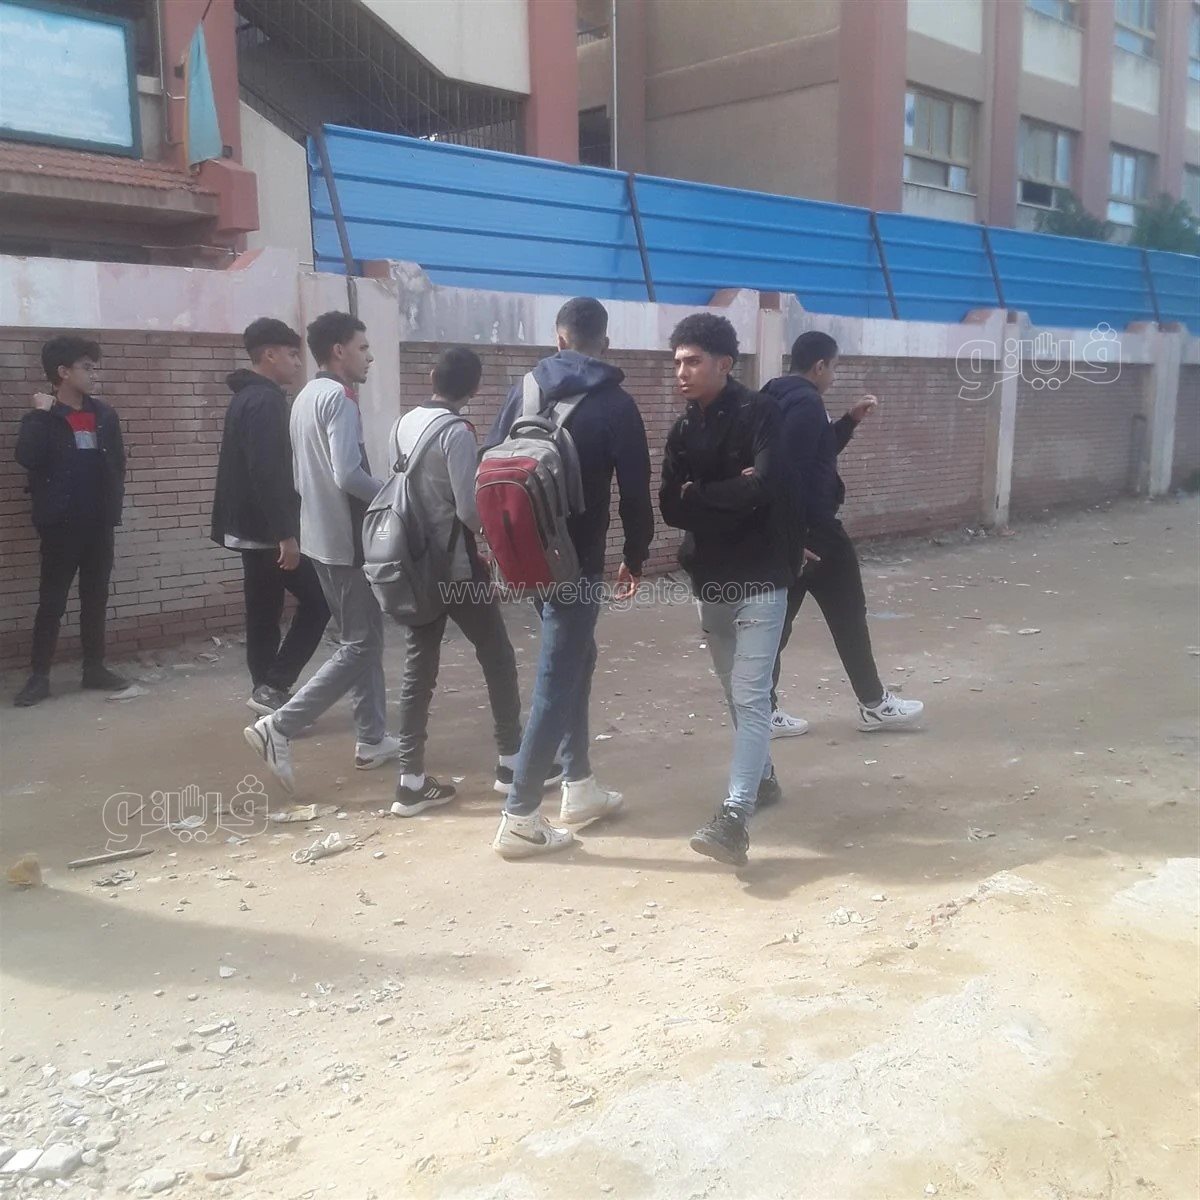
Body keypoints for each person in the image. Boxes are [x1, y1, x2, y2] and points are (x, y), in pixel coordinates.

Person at [485, 297, 654, 858]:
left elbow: (490, 462)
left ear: (558, 340)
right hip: (576, 562)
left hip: (526, 556)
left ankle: (578, 784)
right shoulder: (616, 404)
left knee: (579, 656)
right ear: (605, 344)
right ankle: (520, 816)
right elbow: (635, 493)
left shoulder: (523, 390)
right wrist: (635, 555)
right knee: (557, 676)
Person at [389, 347, 559, 816]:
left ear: (431, 376)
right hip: (457, 571)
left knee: (419, 670)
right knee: (497, 657)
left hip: (414, 564)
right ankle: (510, 763)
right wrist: (492, 542)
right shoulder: (457, 432)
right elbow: (468, 507)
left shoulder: (402, 424)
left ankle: (409, 781)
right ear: (475, 388)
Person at [659, 313, 798, 868]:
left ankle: (734, 816)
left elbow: (767, 486)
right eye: (677, 362)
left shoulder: (762, 413)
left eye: (692, 361)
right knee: (732, 689)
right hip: (710, 578)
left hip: (762, 574)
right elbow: (670, 507)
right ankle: (762, 779)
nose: (682, 372)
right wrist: (726, 491)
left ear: (724, 363)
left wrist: (699, 493)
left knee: (750, 693)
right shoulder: (682, 431)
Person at [244, 311, 400, 792]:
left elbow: (301, 477)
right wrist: (394, 495)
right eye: (362, 347)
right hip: (344, 540)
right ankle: (279, 725)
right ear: (339, 351)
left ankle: (371, 738)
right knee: (361, 643)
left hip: (318, 538)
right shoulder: (339, 398)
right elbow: (348, 474)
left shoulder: (305, 397)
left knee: (363, 637)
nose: (369, 357)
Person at [764, 330, 924, 733]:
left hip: (793, 535)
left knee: (776, 626)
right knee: (849, 614)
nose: (833, 377)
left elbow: (809, 454)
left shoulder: (774, 396)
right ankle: (873, 703)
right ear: (819, 366)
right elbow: (787, 473)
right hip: (815, 533)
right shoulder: (806, 403)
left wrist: (849, 421)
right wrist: (794, 537)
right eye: (833, 368)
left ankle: (760, 711)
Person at [212, 318, 330, 715]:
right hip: (267, 532)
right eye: (293, 354)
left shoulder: (247, 397)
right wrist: (286, 535)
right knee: (318, 602)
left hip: (251, 528)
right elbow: (268, 471)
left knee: (263, 613)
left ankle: (265, 690)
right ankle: (274, 684)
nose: (298, 363)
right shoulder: (265, 401)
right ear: (269, 355)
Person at [13, 336, 128, 707]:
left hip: (98, 523)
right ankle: (39, 677)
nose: (93, 374)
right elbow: (27, 457)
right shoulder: (44, 417)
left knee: (95, 598)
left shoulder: (103, 414)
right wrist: (39, 415)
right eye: (87, 368)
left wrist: (111, 505)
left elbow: (117, 463)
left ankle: (94, 668)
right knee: (52, 601)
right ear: (63, 372)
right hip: (60, 524)